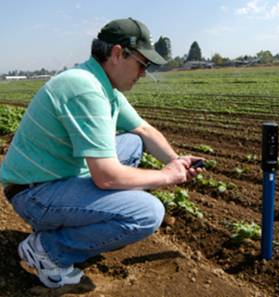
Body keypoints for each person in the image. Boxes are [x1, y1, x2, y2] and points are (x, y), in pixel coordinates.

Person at [0, 17, 203, 288]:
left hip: (54, 178)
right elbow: (106, 177)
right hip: (33, 193)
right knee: (147, 213)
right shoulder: (84, 89)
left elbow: (144, 130)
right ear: (118, 54)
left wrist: (176, 161)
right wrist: (166, 176)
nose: (143, 73)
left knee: (132, 142)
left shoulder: (103, 86)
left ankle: (66, 226)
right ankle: (47, 251)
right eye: (143, 64)